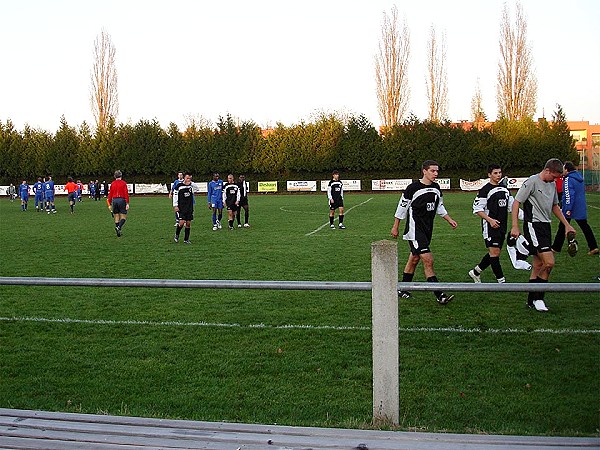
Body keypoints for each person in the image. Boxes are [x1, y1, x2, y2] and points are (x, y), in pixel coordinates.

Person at [510, 158, 576, 312]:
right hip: (533, 226)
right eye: (553, 176)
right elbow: (516, 202)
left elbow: (554, 206)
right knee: (549, 262)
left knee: (538, 264)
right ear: (547, 170)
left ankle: (531, 301)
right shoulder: (531, 182)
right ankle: (538, 298)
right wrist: (515, 226)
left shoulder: (552, 184)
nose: (555, 180)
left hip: (546, 226)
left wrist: (566, 225)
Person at [390, 160, 458, 305]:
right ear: (424, 171)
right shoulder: (412, 188)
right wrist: (395, 226)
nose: (436, 174)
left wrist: (449, 219)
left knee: (414, 259)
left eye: (437, 171)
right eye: (433, 171)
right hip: (415, 231)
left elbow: (439, 207)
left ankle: (402, 289)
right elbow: (401, 208)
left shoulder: (436, 188)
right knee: (428, 260)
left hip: (427, 230)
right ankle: (440, 295)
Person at [468, 164, 513, 283]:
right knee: (494, 253)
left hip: (502, 226)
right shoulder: (485, 190)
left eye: (499, 173)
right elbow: (477, 209)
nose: (498, 175)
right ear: (489, 175)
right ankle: (501, 281)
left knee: (495, 253)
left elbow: (512, 207)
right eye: (495, 173)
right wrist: (490, 220)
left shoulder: (505, 189)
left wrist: (528, 216)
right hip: (490, 226)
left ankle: (476, 272)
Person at [551, 161, 598, 256]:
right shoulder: (579, 178)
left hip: (571, 208)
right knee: (585, 227)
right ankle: (593, 247)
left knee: (563, 225)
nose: (562, 170)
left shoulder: (568, 179)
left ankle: (556, 247)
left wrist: (568, 208)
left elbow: (569, 195)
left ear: (567, 170)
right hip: (580, 207)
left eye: (563, 168)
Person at [172, 172, 194, 244]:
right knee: (181, 223)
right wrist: (175, 205)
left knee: (188, 223)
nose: (188, 180)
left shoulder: (191, 185)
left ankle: (186, 239)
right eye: (187, 178)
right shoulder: (179, 186)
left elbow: (197, 189)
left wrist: (191, 183)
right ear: (184, 178)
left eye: (190, 178)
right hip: (181, 207)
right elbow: (175, 195)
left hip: (189, 207)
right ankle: (177, 235)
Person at [107, 170, 130, 237]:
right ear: (121, 176)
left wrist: (109, 202)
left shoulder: (113, 183)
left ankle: (118, 231)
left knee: (116, 216)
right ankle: (118, 227)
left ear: (115, 176)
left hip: (114, 200)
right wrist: (127, 203)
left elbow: (110, 193)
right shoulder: (123, 183)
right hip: (121, 200)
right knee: (123, 216)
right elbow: (126, 193)